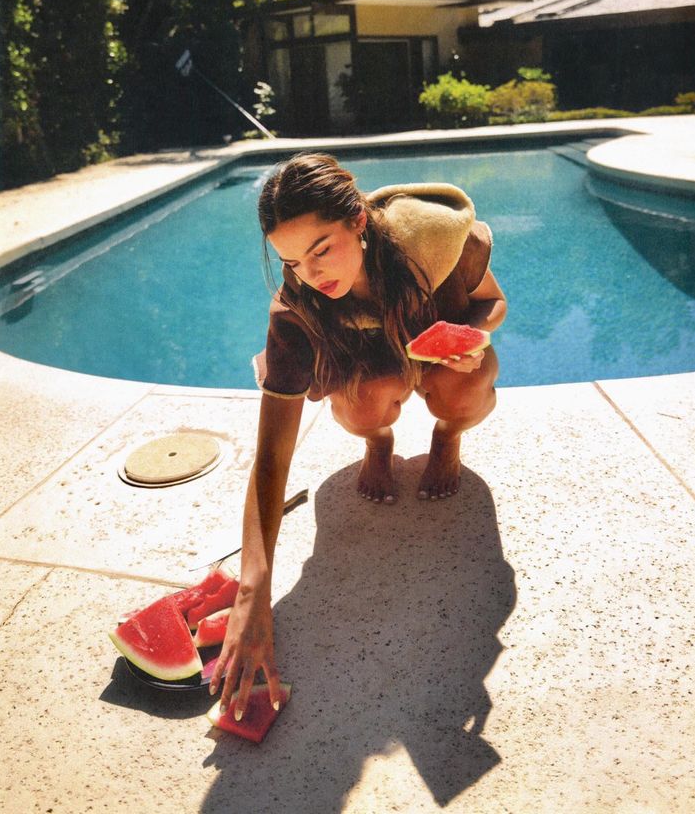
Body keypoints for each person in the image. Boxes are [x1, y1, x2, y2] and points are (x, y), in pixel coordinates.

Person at [209, 153, 506, 719]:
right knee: (363, 406)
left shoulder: (432, 241)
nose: (312, 273)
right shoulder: (296, 312)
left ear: (359, 223)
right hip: (371, 378)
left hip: (446, 368)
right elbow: (273, 455)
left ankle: (447, 438)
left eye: (321, 248)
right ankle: (379, 443)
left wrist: (471, 334)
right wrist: (254, 587)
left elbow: (494, 302)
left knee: (466, 390)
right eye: (291, 261)